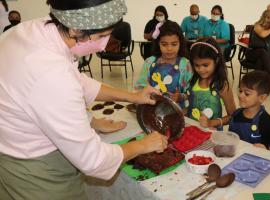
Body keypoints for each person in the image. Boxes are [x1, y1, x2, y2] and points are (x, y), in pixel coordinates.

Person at [0, 0, 168, 199]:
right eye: (101, 35)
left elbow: (76, 81)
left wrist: (133, 97)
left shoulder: (36, 29)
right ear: (75, 27)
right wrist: (142, 145)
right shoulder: (50, 72)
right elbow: (93, 160)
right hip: (35, 171)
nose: (105, 44)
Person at [136, 21, 192, 108]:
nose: (169, 48)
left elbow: (191, 92)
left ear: (180, 43)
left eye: (174, 44)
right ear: (158, 43)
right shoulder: (149, 62)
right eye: (164, 44)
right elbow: (139, 87)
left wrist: (181, 97)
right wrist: (148, 94)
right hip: (151, 108)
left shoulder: (185, 65)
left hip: (177, 110)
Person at [187, 37, 236, 130]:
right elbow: (191, 107)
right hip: (192, 132)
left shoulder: (222, 86)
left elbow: (233, 116)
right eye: (196, 65)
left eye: (205, 65)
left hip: (212, 136)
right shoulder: (193, 81)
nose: (201, 70)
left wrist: (212, 122)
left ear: (216, 61)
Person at [229, 71, 270, 153]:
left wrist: (265, 151)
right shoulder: (236, 114)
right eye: (240, 91)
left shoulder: (268, 122)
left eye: (247, 93)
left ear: (262, 98)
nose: (241, 95)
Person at [245, 9, 270, 89]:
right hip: (252, 52)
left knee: (261, 60)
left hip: (265, 56)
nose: (269, 21)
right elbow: (262, 34)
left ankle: (256, 85)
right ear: (264, 18)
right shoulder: (257, 26)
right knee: (262, 52)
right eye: (268, 18)